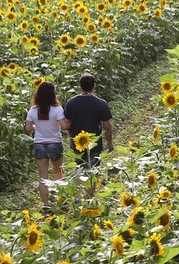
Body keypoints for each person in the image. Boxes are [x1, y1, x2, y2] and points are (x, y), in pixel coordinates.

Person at [25, 81, 68, 210]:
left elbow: (28, 128)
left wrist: (37, 127)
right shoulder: (57, 109)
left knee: (43, 177)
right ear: (52, 94)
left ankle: (46, 205)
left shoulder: (33, 110)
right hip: (54, 143)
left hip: (39, 144)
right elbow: (64, 126)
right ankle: (61, 201)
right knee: (58, 172)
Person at [64, 73, 114, 173]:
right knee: (93, 172)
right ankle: (90, 188)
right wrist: (109, 143)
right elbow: (107, 127)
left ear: (80, 86)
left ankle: (81, 186)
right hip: (94, 142)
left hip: (78, 142)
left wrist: (71, 140)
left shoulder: (71, 103)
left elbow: (67, 125)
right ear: (94, 86)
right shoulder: (101, 103)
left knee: (80, 169)